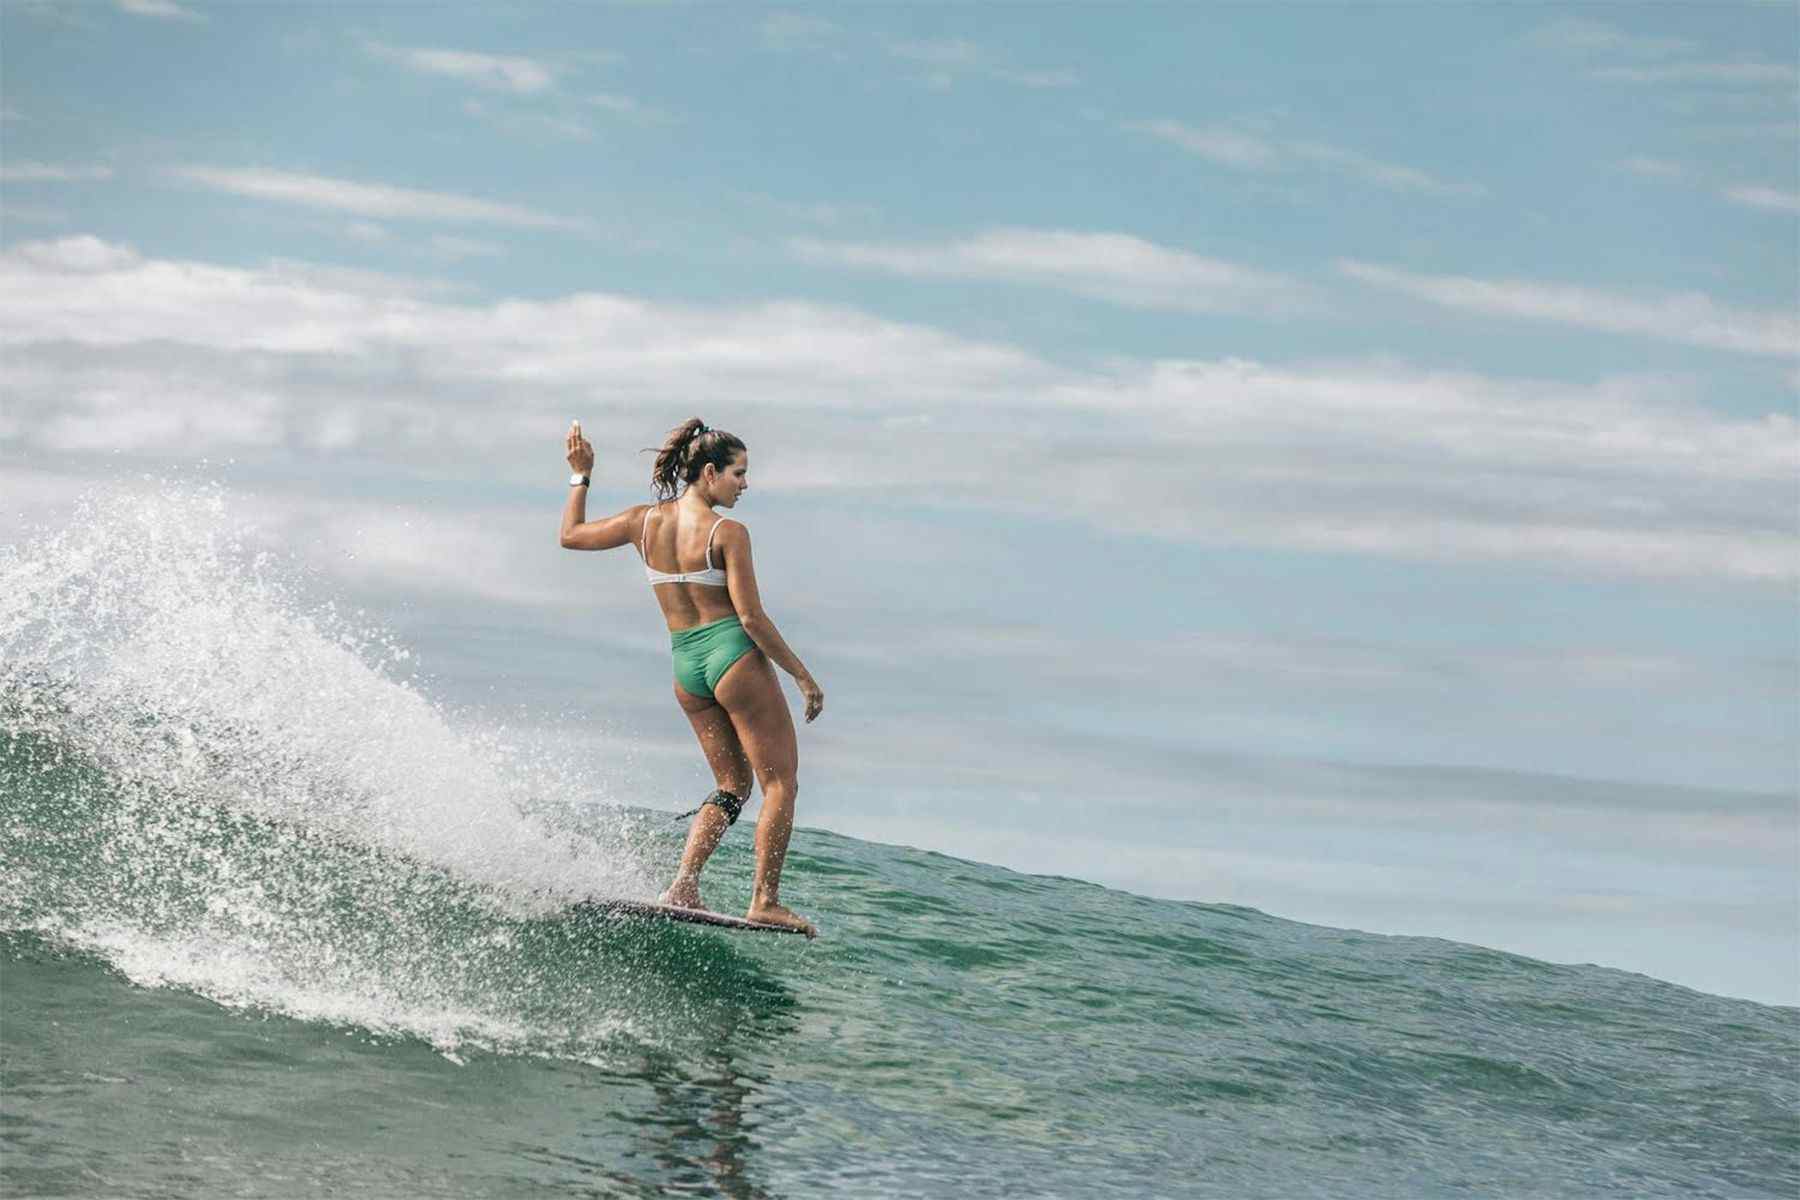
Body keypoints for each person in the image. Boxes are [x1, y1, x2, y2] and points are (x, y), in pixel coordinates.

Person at [559, 417, 823, 937]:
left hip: (687, 668)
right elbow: (750, 618)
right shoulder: (729, 533)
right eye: (739, 474)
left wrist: (580, 475)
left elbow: (570, 536)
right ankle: (765, 900)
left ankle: (683, 885)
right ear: (709, 473)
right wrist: (803, 677)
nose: (745, 485)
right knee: (779, 784)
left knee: (731, 784)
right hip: (733, 659)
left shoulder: (643, 522)